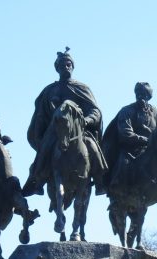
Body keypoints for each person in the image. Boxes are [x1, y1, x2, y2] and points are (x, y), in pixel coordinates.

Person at [24, 48, 107, 195]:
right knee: (44, 150)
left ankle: (100, 181)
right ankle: (37, 180)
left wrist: (86, 121)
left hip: (80, 130)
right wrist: (39, 133)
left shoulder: (82, 88)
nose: (66, 67)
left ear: (72, 66)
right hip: (55, 131)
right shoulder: (49, 90)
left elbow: (95, 110)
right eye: (62, 65)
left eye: (68, 64)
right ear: (57, 68)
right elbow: (41, 115)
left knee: (93, 147)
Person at [102, 82, 157, 199]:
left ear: (149, 96)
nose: (140, 96)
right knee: (123, 164)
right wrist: (145, 139)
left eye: (143, 94)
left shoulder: (156, 112)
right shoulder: (126, 110)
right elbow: (125, 133)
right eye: (138, 93)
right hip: (130, 149)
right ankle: (117, 192)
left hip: (151, 150)